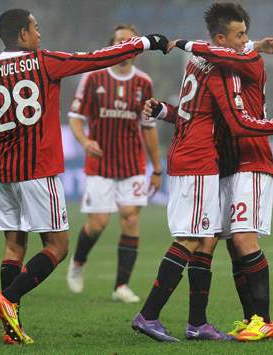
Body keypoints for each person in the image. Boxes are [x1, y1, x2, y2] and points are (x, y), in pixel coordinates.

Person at [0, 8, 169, 344]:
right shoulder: (43, 60)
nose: (39, 34)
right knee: (58, 246)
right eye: (35, 28)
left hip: (3, 173)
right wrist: (145, 43)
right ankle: (8, 298)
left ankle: (11, 327)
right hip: (38, 169)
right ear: (23, 34)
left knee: (14, 246)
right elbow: (95, 59)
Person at [132, 4, 273, 342]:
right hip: (214, 161)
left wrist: (247, 48)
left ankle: (256, 320)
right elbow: (207, 113)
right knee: (208, 240)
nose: (246, 41)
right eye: (240, 35)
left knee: (226, 239)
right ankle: (193, 321)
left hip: (247, 160)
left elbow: (230, 113)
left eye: (247, 34)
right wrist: (164, 109)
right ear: (220, 38)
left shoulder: (231, 63)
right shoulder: (218, 62)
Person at [66, 24, 162, 304]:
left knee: (131, 218)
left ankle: (121, 285)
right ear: (111, 46)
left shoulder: (143, 82)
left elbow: (148, 126)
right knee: (98, 223)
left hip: (132, 163)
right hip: (100, 163)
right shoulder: (94, 77)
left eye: (131, 42)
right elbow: (74, 116)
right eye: (121, 41)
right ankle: (78, 262)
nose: (126, 46)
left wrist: (156, 168)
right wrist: (85, 142)